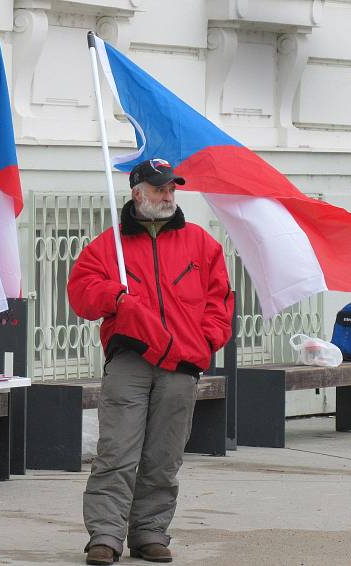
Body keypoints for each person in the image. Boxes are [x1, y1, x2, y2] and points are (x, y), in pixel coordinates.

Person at [68, 158, 234, 564]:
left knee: (164, 456)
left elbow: (221, 302)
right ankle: (105, 536)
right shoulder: (110, 246)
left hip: (181, 364)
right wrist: (116, 296)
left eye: (172, 189)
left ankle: (149, 532)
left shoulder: (201, 244)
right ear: (136, 193)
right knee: (117, 452)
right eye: (159, 189)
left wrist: (203, 342)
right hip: (131, 361)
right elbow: (81, 294)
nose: (167, 195)